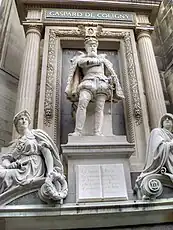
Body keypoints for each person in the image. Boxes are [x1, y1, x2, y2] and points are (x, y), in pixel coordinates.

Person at [0, 110, 67, 201]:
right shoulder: (15, 143)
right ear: (16, 125)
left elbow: (46, 153)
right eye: (21, 119)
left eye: (26, 119)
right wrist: (9, 165)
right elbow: (6, 159)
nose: (24, 121)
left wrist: (50, 172)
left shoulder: (36, 134)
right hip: (20, 168)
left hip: (33, 167)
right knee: (1, 174)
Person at [65, 36, 124, 136]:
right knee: (82, 102)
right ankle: (78, 131)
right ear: (86, 48)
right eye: (90, 46)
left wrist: (112, 80)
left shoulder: (104, 60)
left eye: (94, 46)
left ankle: (97, 132)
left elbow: (109, 73)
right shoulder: (81, 59)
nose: (92, 47)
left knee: (100, 107)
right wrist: (97, 60)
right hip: (88, 82)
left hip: (102, 83)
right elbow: (82, 64)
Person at [136, 113, 173, 184]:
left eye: (169, 118)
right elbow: (158, 149)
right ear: (162, 123)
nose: (167, 119)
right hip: (163, 164)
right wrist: (171, 144)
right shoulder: (157, 131)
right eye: (164, 119)